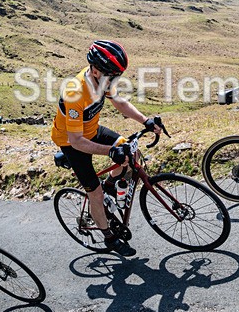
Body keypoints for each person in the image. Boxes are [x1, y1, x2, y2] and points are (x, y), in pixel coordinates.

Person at [51, 39, 160, 257]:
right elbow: (76, 141)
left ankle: (110, 184)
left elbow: (119, 102)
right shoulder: (75, 93)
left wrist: (145, 121)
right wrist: (110, 152)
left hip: (92, 130)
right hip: (71, 141)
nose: (114, 81)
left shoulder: (102, 80)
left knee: (132, 152)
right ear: (96, 70)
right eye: (112, 75)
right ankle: (108, 236)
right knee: (96, 195)